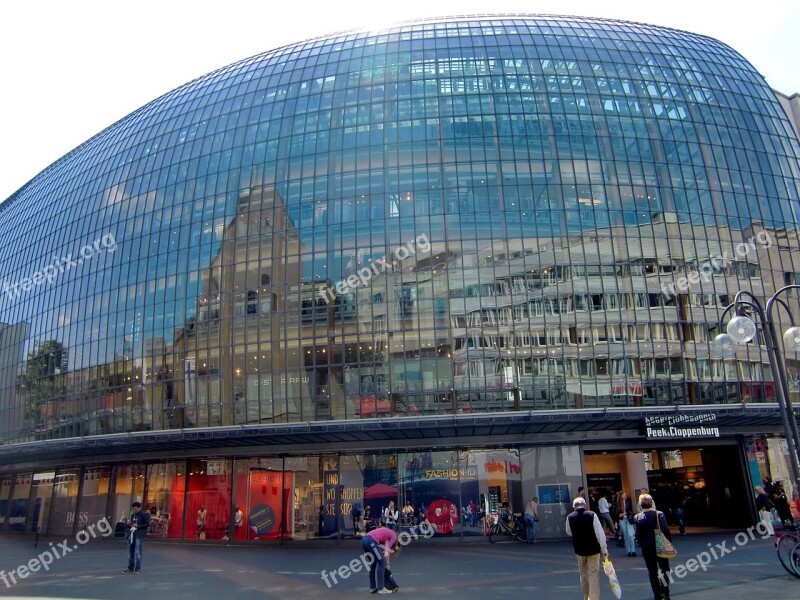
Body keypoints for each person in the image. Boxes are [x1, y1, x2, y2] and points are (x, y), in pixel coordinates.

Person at [565, 497, 608, 600]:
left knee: (583, 575)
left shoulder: (570, 517)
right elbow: (600, 533)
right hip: (593, 549)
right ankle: (593, 598)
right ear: (584, 505)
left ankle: (586, 596)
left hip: (579, 550)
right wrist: (604, 549)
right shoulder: (592, 515)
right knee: (593, 574)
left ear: (574, 506)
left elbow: (568, 531)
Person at [634, 493, 672, 600]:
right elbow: (665, 530)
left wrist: (642, 544)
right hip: (660, 544)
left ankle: (657, 594)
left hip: (647, 547)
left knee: (652, 571)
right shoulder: (659, 514)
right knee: (665, 569)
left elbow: (637, 535)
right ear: (651, 503)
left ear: (641, 505)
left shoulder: (638, 517)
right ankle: (664, 591)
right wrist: (668, 542)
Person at [360, 525, 400, 594]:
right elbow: (387, 552)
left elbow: (384, 550)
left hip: (364, 540)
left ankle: (372, 588)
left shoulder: (388, 534)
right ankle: (381, 588)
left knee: (373, 564)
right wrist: (387, 564)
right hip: (371, 541)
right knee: (382, 563)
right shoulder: (394, 537)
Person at [124, 501, 150, 574]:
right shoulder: (133, 515)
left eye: (135, 509)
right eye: (133, 509)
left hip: (139, 534)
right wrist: (129, 524)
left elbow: (147, 524)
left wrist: (138, 526)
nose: (134, 511)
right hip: (132, 533)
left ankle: (137, 568)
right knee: (130, 551)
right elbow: (131, 524)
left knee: (138, 551)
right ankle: (130, 567)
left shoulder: (143, 514)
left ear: (139, 508)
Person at [616, 491, 636, 556]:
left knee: (630, 535)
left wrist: (625, 513)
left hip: (628, 519)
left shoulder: (628, 502)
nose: (624, 496)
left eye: (625, 494)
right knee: (626, 535)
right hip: (622, 520)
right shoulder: (618, 503)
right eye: (623, 495)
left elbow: (631, 511)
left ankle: (633, 550)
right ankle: (629, 551)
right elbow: (617, 513)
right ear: (620, 496)